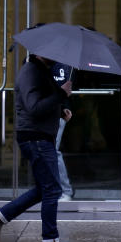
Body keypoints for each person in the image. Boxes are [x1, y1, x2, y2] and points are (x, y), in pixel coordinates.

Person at [0, 53, 80, 242]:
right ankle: (50, 241)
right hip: (36, 138)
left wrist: (60, 109)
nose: (54, 54)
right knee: (52, 189)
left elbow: (43, 101)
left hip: (40, 136)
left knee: (44, 189)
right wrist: (61, 94)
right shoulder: (30, 72)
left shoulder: (41, 71)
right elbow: (34, 108)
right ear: (38, 52)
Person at [51, 62, 74, 201]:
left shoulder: (65, 64)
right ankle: (60, 189)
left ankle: (65, 190)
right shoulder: (33, 63)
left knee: (52, 150)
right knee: (49, 150)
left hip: (58, 111)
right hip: (47, 110)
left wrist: (64, 106)